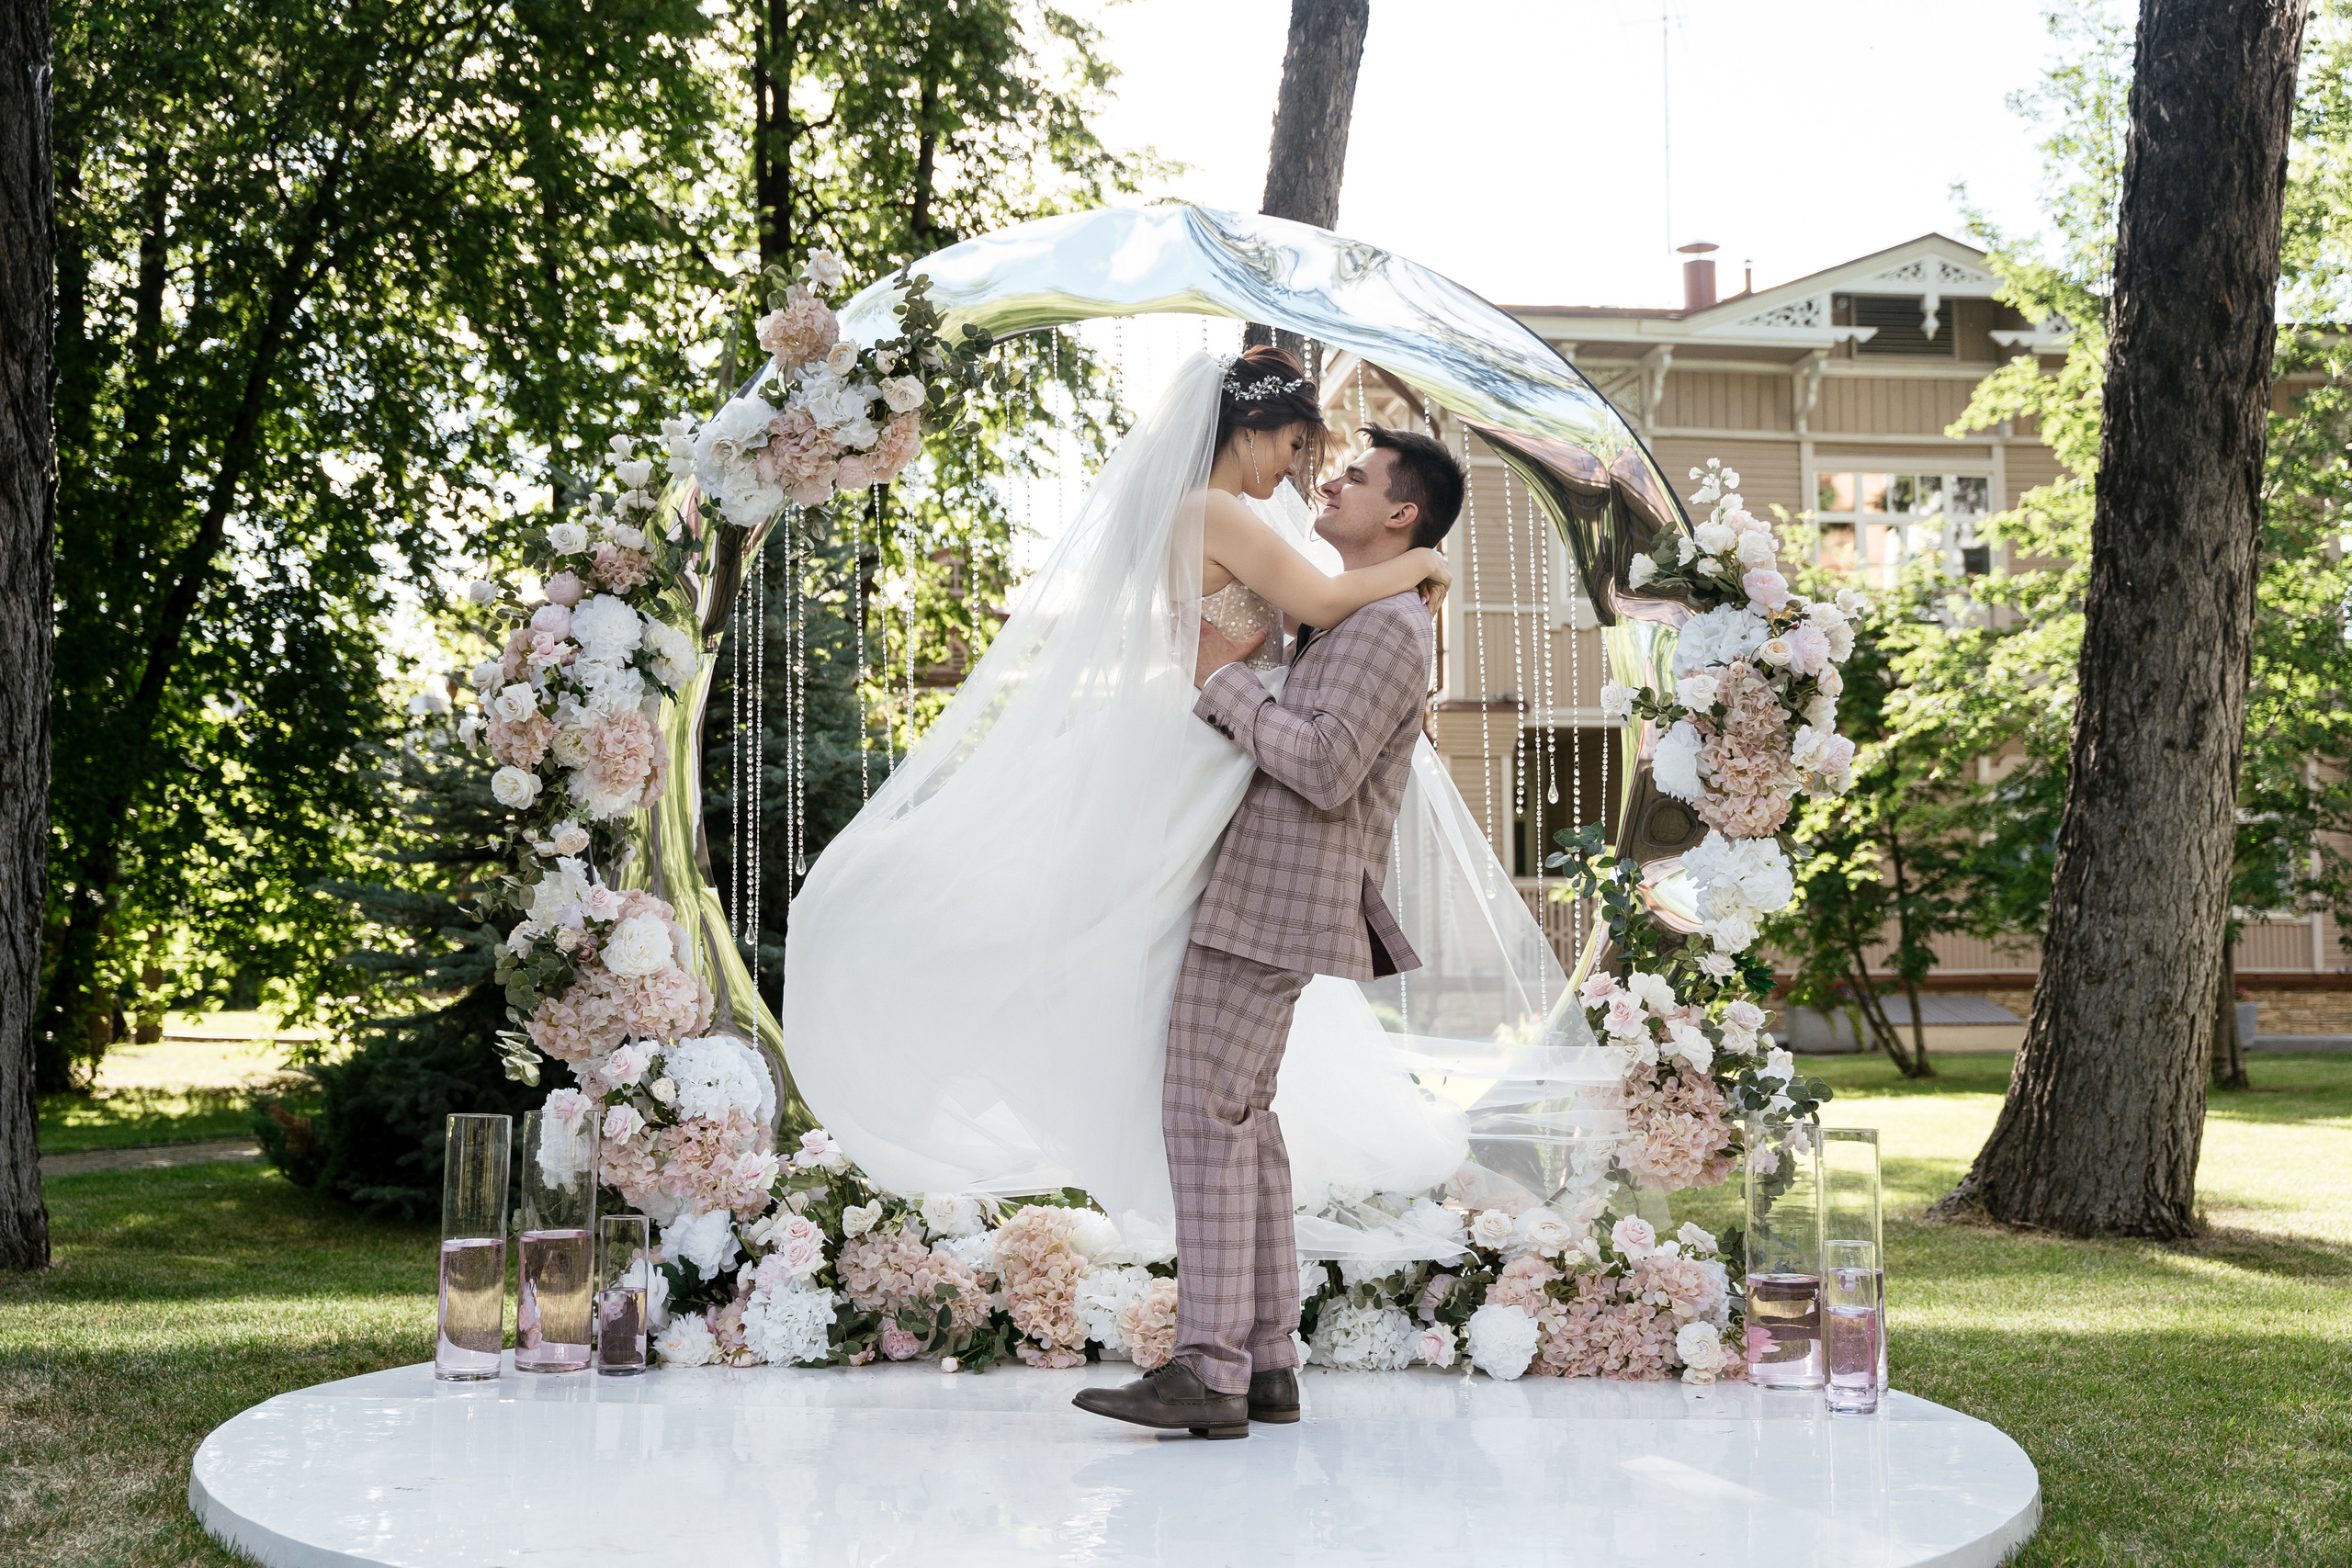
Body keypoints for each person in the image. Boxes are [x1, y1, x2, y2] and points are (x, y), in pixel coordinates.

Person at [779, 346, 1567, 1292]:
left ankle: (1223, 1263)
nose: (1296, 467)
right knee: (1121, 936)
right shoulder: (1211, 510)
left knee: (1155, 966)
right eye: (1290, 444)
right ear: (1249, 430)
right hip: (1209, 733)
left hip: (1224, 730)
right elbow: (1316, 600)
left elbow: (1307, 613)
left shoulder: (1223, 512)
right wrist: (1427, 565)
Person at [1073, 424, 1463, 1439]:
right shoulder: (1361, 611)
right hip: (1266, 887)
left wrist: (1224, 684)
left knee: (1203, 1119)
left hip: (1275, 897)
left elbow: (1328, 767)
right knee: (1240, 1122)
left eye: (1355, 477)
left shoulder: (1387, 628)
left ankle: (1209, 1369)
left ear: (1401, 514)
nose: (1326, 481)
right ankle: (1266, 1356)